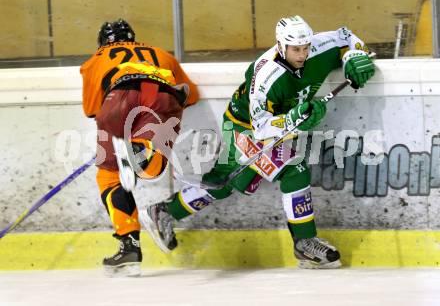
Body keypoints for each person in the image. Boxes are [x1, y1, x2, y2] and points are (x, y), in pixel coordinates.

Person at [144, 15, 375, 269]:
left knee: (226, 181)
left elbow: (347, 37)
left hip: (265, 125)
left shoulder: (318, 46)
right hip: (245, 127)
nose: (302, 54)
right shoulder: (267, 76)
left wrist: (354, 56)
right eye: (295, 49)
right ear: (280, 46)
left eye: (305, 48)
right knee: (292, 169)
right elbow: (262, 127)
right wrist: (294, 118)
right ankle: (305, 243)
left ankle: (165, 211)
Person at [80, 19, 199, 276]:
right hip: (163, 96)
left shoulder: (96, 59)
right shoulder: (162, 54)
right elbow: (192, 95)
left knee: (109, 177)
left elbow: (92, 110)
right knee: (153, 168)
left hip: (119, 97)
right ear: (133, 37)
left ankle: (129, 246)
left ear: (103, 42)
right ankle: (140, 149)